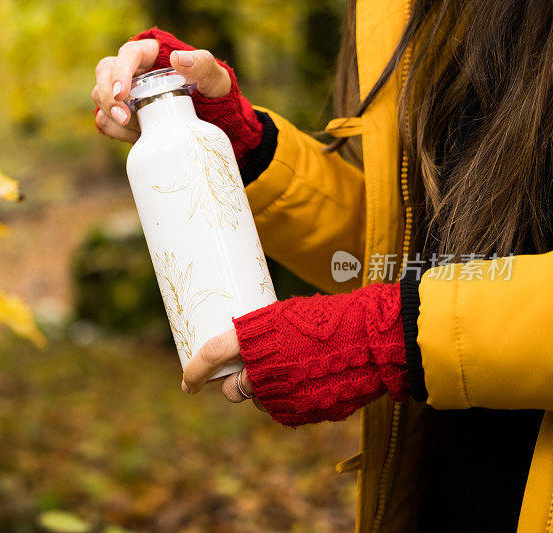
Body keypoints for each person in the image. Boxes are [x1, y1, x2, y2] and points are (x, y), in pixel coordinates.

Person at [92, 1, 553, 531]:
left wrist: (387, 335)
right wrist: (243, 151)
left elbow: (412, 298)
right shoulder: (405, 11)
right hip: (444, 476)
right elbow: (415, 248)